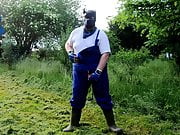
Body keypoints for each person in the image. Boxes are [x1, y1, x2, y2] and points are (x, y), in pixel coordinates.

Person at [63, 10, 123, 134]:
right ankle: (73, 124)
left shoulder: (101, 34)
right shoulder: (76, 32)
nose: (87, 20)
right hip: (79, 71)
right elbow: (68, 44)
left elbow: (105, 54)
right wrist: (70, 53)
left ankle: (112, 125)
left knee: (103, 97)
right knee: (77, 96)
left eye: (90, 18)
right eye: (85, 17)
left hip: (97, 70)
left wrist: (98, 72)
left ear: (95, 19)